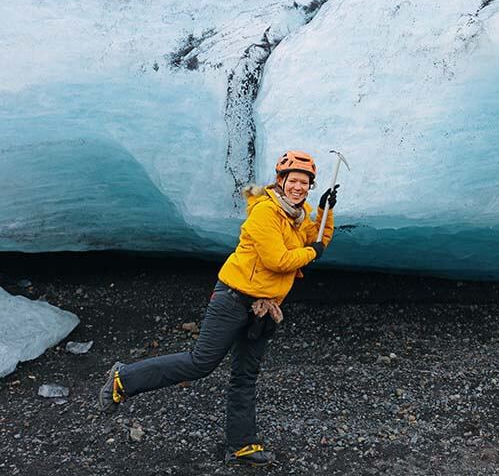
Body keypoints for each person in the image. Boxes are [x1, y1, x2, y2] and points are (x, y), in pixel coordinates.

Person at [98, 150, 338, 467]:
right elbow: (278, 260)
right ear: (280, 181)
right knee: (201, 363)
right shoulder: (266, 213)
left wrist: (324, 212)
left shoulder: (297, 217)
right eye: (293, 180)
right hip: (232, 298)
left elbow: (317, 238)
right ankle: (123, 379)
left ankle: (241, 445)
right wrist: (313, 251)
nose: (299, 187)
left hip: (263, 308)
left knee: (245, 376)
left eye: (305, 183)